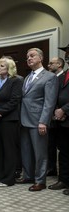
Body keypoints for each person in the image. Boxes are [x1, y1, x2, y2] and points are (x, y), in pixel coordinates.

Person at [16, 48, 58, 192]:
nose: (29, 58)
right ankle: (28, 176)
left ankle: (40, 181)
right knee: (26, 150)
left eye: (32, 56)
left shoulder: (49, 77)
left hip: (38, 121)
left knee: (40, 153)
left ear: (41, 58)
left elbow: (49, 102)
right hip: (24, 119)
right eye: (27, 57)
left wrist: (43, 121)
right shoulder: (27, 77)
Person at [0, 57, 22, 187]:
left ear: (9, 68)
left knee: (9, 149)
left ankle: (8, 179)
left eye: (2, 66)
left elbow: (14, 100)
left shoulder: (15, 81)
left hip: (8, 120)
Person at [48, 44, 69, 196]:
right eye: (66, 53)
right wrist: (57, 111)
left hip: (66, 114)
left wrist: (64, 110)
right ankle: (64, 179)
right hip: (62, 121)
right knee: (64, 151)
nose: (67, 55)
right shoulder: (65, 74)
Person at [47, 57, 65, 177]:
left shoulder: (64, 77)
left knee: (63, 148)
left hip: (63, 117)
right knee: (50, 145)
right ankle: (51, 169)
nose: (48, 65)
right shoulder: (52, 78)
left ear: (59, 64)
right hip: (52, 118)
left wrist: (62, 112)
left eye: (51, 63)